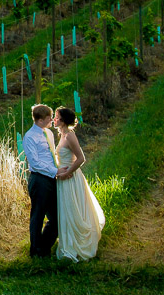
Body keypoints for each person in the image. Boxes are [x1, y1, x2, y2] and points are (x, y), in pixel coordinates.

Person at [53, 107, 105, 262]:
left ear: (62, 120)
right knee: (66, 210)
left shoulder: (70, 136)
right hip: (63, 177)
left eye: (56, 117)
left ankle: (77, 245)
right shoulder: (61, 135)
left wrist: (67, 173)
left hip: (71, 178)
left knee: (73, 209)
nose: (54, 120)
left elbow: (81, 158)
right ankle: (68, 242)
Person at [23, 104, 69, 257]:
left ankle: (44, 248)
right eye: (49, 118)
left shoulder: (48, 133)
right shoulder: (29, 137)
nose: (52, 120)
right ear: (40, 120)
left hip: (51, 178)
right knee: (38, 215)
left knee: (56, 216)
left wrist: (59, 169)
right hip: (39, 179)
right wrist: (55, 171)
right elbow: (35, 163)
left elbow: (51, 155)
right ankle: (35, 251)